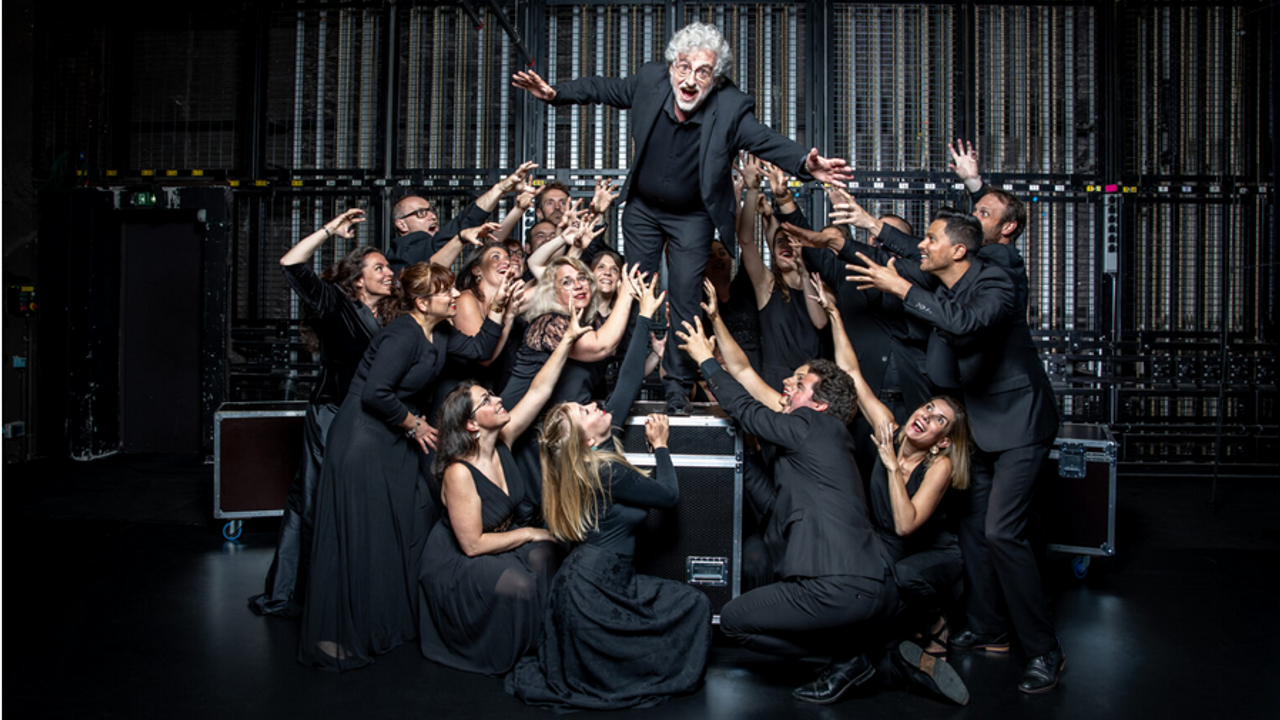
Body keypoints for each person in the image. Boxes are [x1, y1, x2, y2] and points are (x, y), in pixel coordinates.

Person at [512, 21, 853, 415]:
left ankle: (677, 385)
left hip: (692, 216)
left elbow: (765, 139)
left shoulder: (730, 107)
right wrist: (556, 94)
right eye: (684, 67)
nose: (691, 80)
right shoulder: (650, 81)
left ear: (715, 79)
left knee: (686, 296)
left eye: (703, 72)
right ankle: (624, 379)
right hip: (644, 209)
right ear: (672, 66)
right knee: (635, 290)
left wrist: (805, 165)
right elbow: (604, 89)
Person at [846, 208, 1064, 694]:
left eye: (931, 238)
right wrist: (857, 229)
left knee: (1002, 531)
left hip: (1019, 423)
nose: (922, 245)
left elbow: (966, 323)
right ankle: (989, 628)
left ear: (959, 250)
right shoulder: (944, 275)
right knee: (972, 526)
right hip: (978, 425)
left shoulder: (997, 281)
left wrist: (902, 289)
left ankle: (1044, 649)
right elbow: (907, 255)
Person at [506, 275, 712, 711]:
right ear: (586, 438)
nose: (595, 405)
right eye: (586, 410)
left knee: (686, 607)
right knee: (693, 605)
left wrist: (644, 316)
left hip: (600, 583)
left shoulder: (589, 456)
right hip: (592, 592)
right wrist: (660, 448)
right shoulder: (603, 469)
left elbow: (628, 382)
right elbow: (669, 496)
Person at [297, 262, 514, 671]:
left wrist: (500, 307)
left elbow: (480, 350)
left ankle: (385, 620)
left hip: (394, 438)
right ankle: (337, 633)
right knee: (361, 534)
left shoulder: (441, 333)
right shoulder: (402, 334)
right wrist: (414, 424)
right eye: (445, 291)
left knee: (399, 527)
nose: (456, 295)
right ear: (422, 302)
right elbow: (375, 393)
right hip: (363, 439)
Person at [676, 315, 893, 704]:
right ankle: (861, 658)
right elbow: (774, 505)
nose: (788, 385)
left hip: (834, 584)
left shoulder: (812, 425)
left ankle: (846, 660)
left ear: (819, 404)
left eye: (800, 383)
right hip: (870, 587)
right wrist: (742, 448)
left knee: (734, 621)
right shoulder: (823, 447)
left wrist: (706, 361)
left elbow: (749, 410)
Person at [417, 307, 591, 675]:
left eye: (492, 396)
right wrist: (528, 532)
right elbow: (472, 545)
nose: (498, 400)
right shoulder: (458, 472)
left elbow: (539, 390)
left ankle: (548, 644)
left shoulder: (503, 441)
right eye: (486, 401)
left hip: (496, 542)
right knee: (520, 583)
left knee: (546, 555)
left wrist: (568, 340)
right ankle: (511, 657)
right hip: (460, 561)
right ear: (471, 424)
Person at [813, 278, 971, 667]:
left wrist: (891, 468)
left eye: (939, 420)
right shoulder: (891, 431)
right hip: (886, 547)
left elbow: (905, 525)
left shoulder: (940, 465)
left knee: (904, 576)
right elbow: (851, 374)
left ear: (942, 441)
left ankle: (937, 623)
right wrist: (834, 315)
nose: (926, 416)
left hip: (929, 557)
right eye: (928, 408)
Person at [249, 208, 387, 618]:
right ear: (358, 279)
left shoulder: (390, 316)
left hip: (369, 420)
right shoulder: (335, 304)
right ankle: (303, 593)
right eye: (379, 268)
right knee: (312, 500)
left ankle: (346, 589)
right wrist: (330, 230)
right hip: (331, 413)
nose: (389, 273)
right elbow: (291, 263)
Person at [737, 155, 827, 390]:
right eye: (779, 244)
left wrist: (804, 274)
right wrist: (752, 191)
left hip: (812, 385)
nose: (784, 247)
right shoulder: (767, 285)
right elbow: (746, 241)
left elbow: (820, 322)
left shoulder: (818, 282)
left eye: (790, 242)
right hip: (774, 383)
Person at [499, 257, 636, 411]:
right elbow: (601, 347)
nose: (578, 286)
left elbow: (619, 353)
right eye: (566, 282)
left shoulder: (592, 323)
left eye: (582, 278)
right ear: (553, 292)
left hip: (560, 419)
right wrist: (625, 296)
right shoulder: (549, 323)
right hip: (514, 418)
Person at [388, 161, 537, 270]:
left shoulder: (431, 253)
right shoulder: (404, 250)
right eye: (421, 213)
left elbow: (489, 240)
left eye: (432, 211)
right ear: (401, 224)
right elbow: (462, 224)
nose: (432, 216)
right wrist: (501, 189)